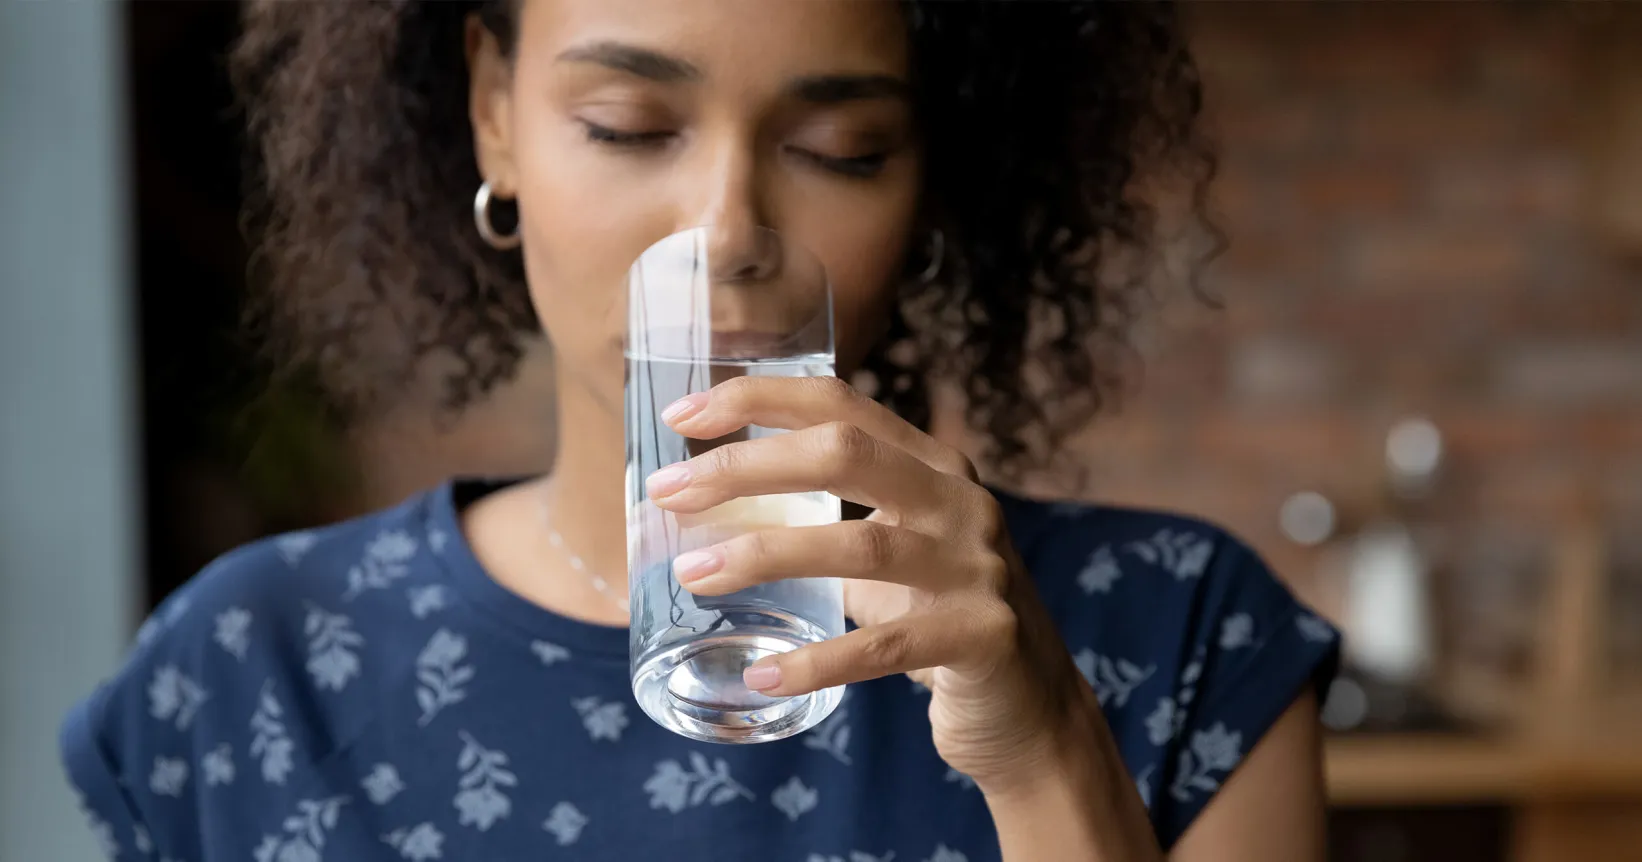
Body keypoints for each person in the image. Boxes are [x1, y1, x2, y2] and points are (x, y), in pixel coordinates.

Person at [61, 2, 1340, 860]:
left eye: (842, 147)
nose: (725, 230)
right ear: (493, 110)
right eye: (627, 126)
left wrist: (1051, 756)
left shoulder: (1181, 638)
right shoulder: (243, 673)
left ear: (929, 176)